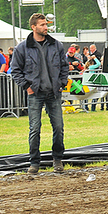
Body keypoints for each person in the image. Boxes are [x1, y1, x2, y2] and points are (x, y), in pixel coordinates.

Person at [11, 13, 68, 174]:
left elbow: (64, 66)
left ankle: (57, 159)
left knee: (58, 127)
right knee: (35, 128)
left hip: (53, 93)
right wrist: (27, 87)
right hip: (35, 93)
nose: (46, 27)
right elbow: (15, 71)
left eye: (46, 24)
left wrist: (61, 83)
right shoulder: (22, 47)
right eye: (42, 24)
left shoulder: (56, 45)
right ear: (33, 27)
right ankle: (34, 162)